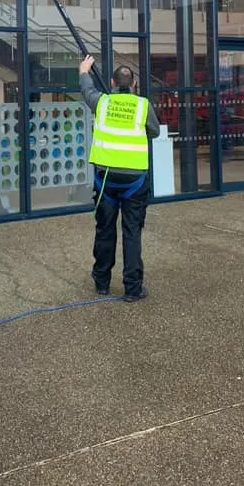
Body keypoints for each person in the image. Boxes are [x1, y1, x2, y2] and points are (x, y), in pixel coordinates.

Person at [79, 55, 160, 302]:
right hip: (134, 181)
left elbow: (87, 90)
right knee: (132, 232)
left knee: (105, 229)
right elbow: (154, 131)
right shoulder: (143, 106)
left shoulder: (101, 103)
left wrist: (84, 70)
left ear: (113, 83)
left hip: (106, 179)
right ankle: (133, 289)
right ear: (134, 84)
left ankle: (102, 282)